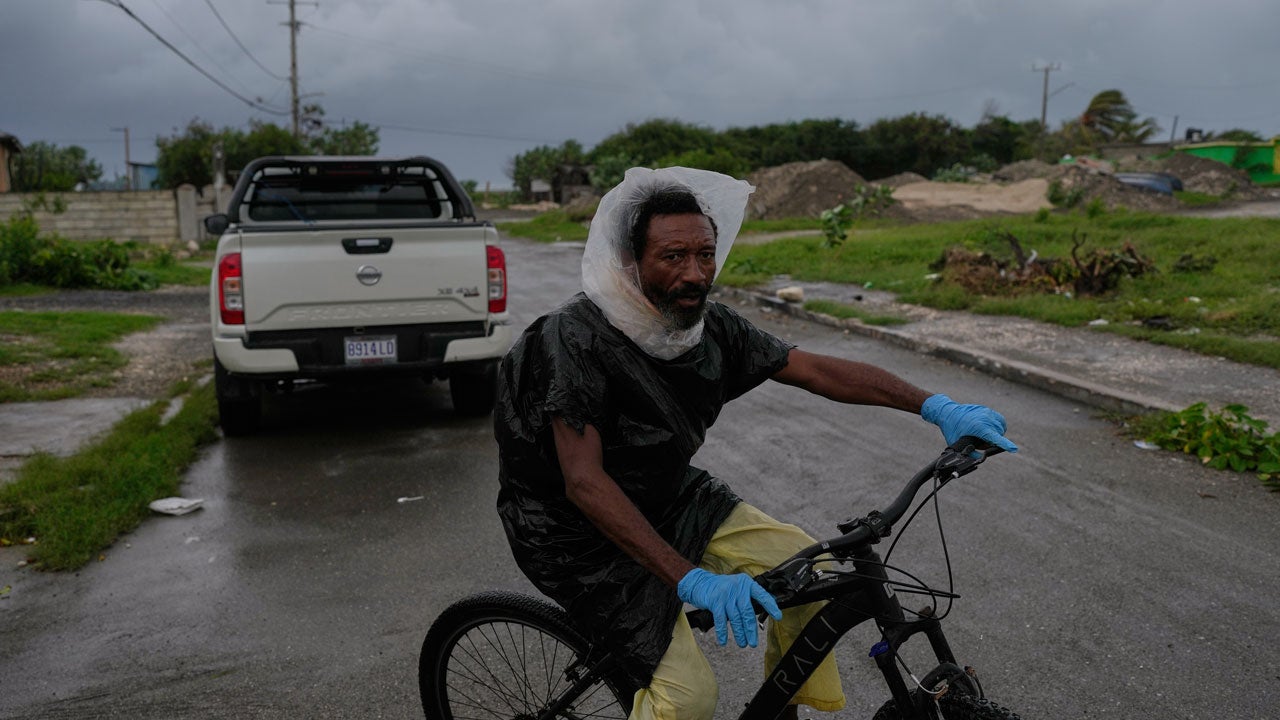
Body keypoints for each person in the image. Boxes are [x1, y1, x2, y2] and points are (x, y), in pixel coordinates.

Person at [494, 167, 1017, 719]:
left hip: (669, 497)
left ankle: (780, 710)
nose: (695, 274)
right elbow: (583, 481)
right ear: (631, 261)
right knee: (689, 699)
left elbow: (816, 370)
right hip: (575, 537)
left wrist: (936, 407)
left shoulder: (707, 326)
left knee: (806, 571)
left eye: (705, 254)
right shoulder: (572, 338)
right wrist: (691, 579)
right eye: (673, 257)